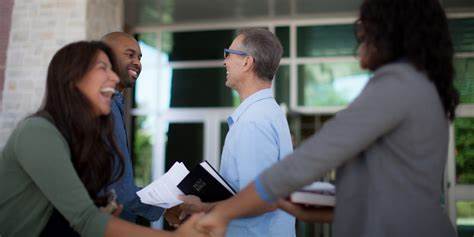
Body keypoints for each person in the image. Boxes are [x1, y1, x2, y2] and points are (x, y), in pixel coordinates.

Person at [196, 0, 459, 236]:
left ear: (389, 31)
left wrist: (221, 213)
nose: (359, 44)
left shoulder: (399, 84)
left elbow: (311, 158)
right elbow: (390, 194)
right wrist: (305, 208)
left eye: (362, 31)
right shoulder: (422, 88)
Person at [0, 41, 207, 237]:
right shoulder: (38, 132)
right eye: (103, 68)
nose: (115, 78)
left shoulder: (82, 140)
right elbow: (86, 219)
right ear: (73, 78)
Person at [166, 28, 296, 237]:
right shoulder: (267, 113)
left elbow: (261, 200)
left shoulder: (253, 121)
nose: (225, 61)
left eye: (229, 54)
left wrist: (201, 208)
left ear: (247, 62)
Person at [101, 32, 164, 223]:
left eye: (140, 57)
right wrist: (168, 205)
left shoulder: (115, 104)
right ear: (106, 57)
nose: (137, 62)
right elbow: (120, 191)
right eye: (130, 55)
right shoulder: (104, 108)